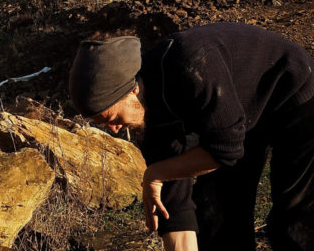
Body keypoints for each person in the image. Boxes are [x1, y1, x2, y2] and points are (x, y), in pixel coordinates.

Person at [69, 22, 314, 251]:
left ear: (132, 91)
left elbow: (226, 150)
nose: (113, 130)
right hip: (234, 117)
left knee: (294, 220)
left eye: (111, 118)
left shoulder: (191, 64)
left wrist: (156, 174)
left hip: (294, 94)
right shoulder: (147, 120)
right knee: (215, 214)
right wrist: (160, 176)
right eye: (102, 124)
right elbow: (174, 207)